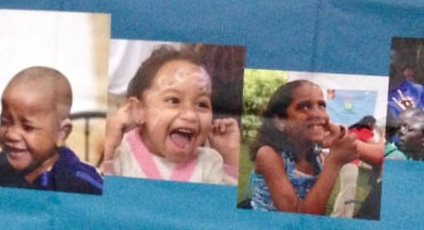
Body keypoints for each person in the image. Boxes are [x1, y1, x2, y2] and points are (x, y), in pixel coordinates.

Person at [103, 44, 239, 184]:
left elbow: (224, 198)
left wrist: (230, 157)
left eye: (201, 104)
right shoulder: (121, 155)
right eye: (174, 100)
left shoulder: (210, 163)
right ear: (139, 110)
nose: (190, 115)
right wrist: (108, 146)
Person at [0, 66, 102, 194]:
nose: (11, 135)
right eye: (5, 122)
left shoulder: (80, 182)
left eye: (27, 127)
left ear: (61, 133)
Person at [245, 80, 359, 214]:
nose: (318, 114)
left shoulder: (317, 158)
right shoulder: (269, 155)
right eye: (304, 107)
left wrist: (340, 135)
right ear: (280, 121)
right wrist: (334, 162)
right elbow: (296, 215)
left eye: (321, 105)